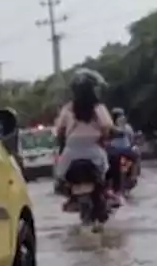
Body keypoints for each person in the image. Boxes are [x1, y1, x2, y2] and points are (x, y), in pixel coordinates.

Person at [53, 68, 119, 207]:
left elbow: (59, 130)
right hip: (94, 151)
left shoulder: (67, 109)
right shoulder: (98, 108)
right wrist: (107, 136)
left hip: (71, 152)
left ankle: (71, 197)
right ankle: (111, 192)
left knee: (60, 177)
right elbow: (107, 127)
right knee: (112, 164)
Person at [106, 108, 139, 191]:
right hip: (123, 152)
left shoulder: (109, 126)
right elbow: (132, 140)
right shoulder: (126, 127)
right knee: (135, 156)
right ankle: (133, 176)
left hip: (113, 153)